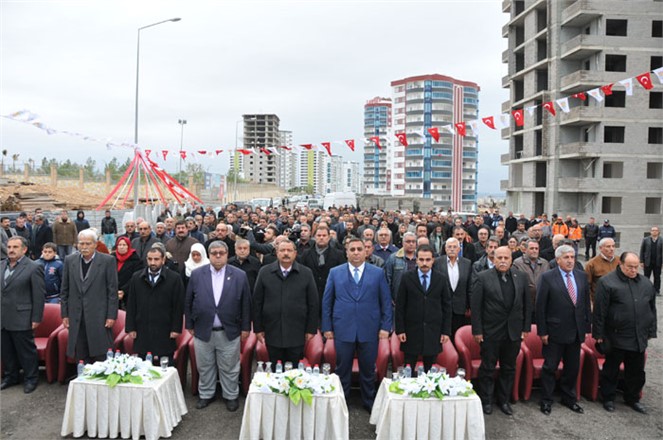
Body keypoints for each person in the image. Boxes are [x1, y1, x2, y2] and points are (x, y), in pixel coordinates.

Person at [322, 237, 393, 412]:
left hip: (369, 328)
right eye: (352, 249)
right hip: (343, 328)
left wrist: (386, 327)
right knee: (342, 369)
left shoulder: (377, 273)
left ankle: (369, 402)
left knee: (368, 370)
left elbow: (385, 301)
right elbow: (327, 302)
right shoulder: (335, 272)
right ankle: (342, 402)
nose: (355, 252)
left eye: (359, 249)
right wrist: (327, 327)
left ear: (366, 251)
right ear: (346, 252)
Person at [184, 241, 251, 412]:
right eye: (214, 253)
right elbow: (189, 301)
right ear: (209, 255)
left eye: (221, 252)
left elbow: (246, 304)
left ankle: (231, 395)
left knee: (229, 366)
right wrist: (190, 324)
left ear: (227, 254)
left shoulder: (239, 275)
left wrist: (245, 328)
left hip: (229, 331)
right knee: (204, 365)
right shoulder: (197, 274)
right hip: (203, 330)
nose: (218, 256)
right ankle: (206, 394)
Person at [593, 252, 657, 414]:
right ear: (620, 264)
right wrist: (599, 334)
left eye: (636, 267)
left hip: (638, 336)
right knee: (611, 369)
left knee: (636, 371)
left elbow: (652, 309)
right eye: (630, 267)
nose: (633, 270)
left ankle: (632, 398)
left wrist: (651, 330)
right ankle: (608, 397)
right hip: (615, 336)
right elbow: (600, 311)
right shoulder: (607, 282)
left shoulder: (645, 283)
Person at [471, 246, 531, 416]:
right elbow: (476, 307)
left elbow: (527, 305)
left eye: (506, 257)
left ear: (511, 259)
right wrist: (477, 330)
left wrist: (526, 328)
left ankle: (503, 400)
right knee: (488, 368)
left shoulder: (521, 277)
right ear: (493, 259)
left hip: (513, 332)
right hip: (490, 332)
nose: (503, 261)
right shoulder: (483, 277)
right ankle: (486, 400)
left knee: (509, 367)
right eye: (499, 258)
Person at [535, 245, 591, 416]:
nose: (570, 260)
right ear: (558, 259)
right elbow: (540, 307)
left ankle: (569, 398)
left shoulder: (581, 277)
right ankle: (546, 400)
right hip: (554, 332)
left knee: (572, 368)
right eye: (566, 257)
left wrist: (586, 328)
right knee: (550, 368)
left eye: (572, 257)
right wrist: (542, 331)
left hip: (575, 332)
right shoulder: (547, 277)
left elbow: (585, 305)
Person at [253, 240, 319, 365]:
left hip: (297, 332)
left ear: (295, 253)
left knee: (293, 373)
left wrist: (311, 329)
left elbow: (313, 303)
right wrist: (258, 328)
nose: (286, 253)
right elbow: (257, 302)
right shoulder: (265, 272)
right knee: (274, 370)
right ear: (277, 253)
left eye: (289, 250)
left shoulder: (306, 273)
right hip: (272, 331)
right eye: (282, 250)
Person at [60, 229, 119, 363]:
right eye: (81, 244)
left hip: (99, 314)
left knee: (101, 353)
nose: (84, 247)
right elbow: (64, 290)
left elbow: (112, 291)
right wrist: (65, 314)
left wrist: (111, 315)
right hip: (77, 315)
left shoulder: (107, 261)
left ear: (95, 244)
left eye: (88, 244)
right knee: (80, 354)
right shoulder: (70, 260)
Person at [395, 245, 452, 372]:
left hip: (433, 331)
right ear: (416, 260)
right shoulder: (407, 277)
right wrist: (400, 330)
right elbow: (400, 306)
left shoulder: (441, 279)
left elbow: (447, 307)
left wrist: (446, 331)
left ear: (433, 260)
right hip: (411, 332)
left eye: (427, 260)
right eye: (421, 259)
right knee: (408, 370)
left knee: (430, 372)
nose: (424, 263)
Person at [125, 246, 185, 365]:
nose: (153, 262)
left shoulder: (174, 278)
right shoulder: (137, 278)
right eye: (150, 259)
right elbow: (131, 304)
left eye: (156, 259)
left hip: (165, 329)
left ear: (163, 260)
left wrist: (176, 328)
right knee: (143, 368)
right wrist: (130, 327)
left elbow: (178, 306)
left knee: (166, 368)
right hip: (143, 329)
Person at [0, 237, 44, 393]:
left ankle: (31, 378)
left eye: (15, 247)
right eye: (9, 246)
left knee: (26, 351)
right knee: (6, 351)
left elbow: (39, 295)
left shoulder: (33, 267)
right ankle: (10, 376)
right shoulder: (1, 265)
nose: (10, 250)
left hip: (22, 316)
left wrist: (36, 318)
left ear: (24, 250)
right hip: (3, 317)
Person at [434, 238, 473, 339]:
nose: (452, 249)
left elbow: (469, 286)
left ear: (459, 249)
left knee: (457, 336)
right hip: (441, 307)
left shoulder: (467, 263)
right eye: (449, 247)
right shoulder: (437, 263)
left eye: (454, 247)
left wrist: (469, 306)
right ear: (445, 249)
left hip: (460, 308)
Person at [299, 225, 346, 308]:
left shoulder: (338, 254)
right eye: (319, 235)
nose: (321, 238)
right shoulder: (306, 254)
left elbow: (342, 276)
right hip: (311, 297)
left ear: (329, 237)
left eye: (324, 236)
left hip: (332, 296)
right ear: (314, 237)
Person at [513, 239, 550, 323]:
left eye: (536, 249)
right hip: (525, 305)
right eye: (532, 248)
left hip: (541, 304)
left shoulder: (545, 263)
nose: (534, 251)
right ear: (525, 250)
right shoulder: (517, 263)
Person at [585, 238, 619, 306]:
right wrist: (590, 303)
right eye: (608, 246)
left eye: (613, 246)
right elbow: (587, 286)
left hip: (617, 301)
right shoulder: (591, 264)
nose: (611, 249)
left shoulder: (620, 261)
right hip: (600, 302)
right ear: (600, 248)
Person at [112, 236, 144, 310]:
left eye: (124, 245)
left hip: (129, 293)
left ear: (128, 246)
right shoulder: (111, 258)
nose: (121, 247)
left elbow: (136, 277)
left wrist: (123, 290)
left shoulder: (136, 260)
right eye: (119, 245)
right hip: (113, 293)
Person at [384, 231, 418, 300]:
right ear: (403, 243)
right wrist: (390, 298)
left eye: (413, 242)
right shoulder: (393, 258)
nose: (411, 244)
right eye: (408, 242)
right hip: (398, 298)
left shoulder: (420, 258)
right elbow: (387, 280)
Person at [640, 226, 662, 296]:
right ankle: (646, 291)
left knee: (657, 277)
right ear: (650, 232)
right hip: (647, 262)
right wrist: (641, 261)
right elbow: (642, 251)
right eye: (653, 230)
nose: (654, 232)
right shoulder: (645, 239)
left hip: (657, 262)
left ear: (658, 232)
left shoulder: (661, 240)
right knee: (646, 277)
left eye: (656, 230)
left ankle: (656, 291)